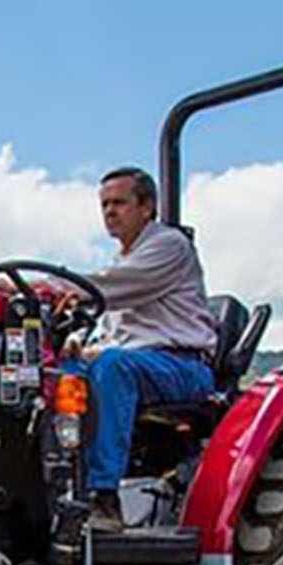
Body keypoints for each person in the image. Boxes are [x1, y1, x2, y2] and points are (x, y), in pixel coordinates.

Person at [68, 167, 219, 526]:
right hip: (142, 363)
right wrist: (78, 348)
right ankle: (61, 488)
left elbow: (113, 288)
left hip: (182, 366)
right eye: (104, 204)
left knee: (113, 367)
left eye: (119, 202)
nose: (109, 212)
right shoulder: (125, 261)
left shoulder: (168, 246)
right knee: (61, 374)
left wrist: (53, 286)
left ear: (147, 206)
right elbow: (111, 331)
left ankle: (103, 496)